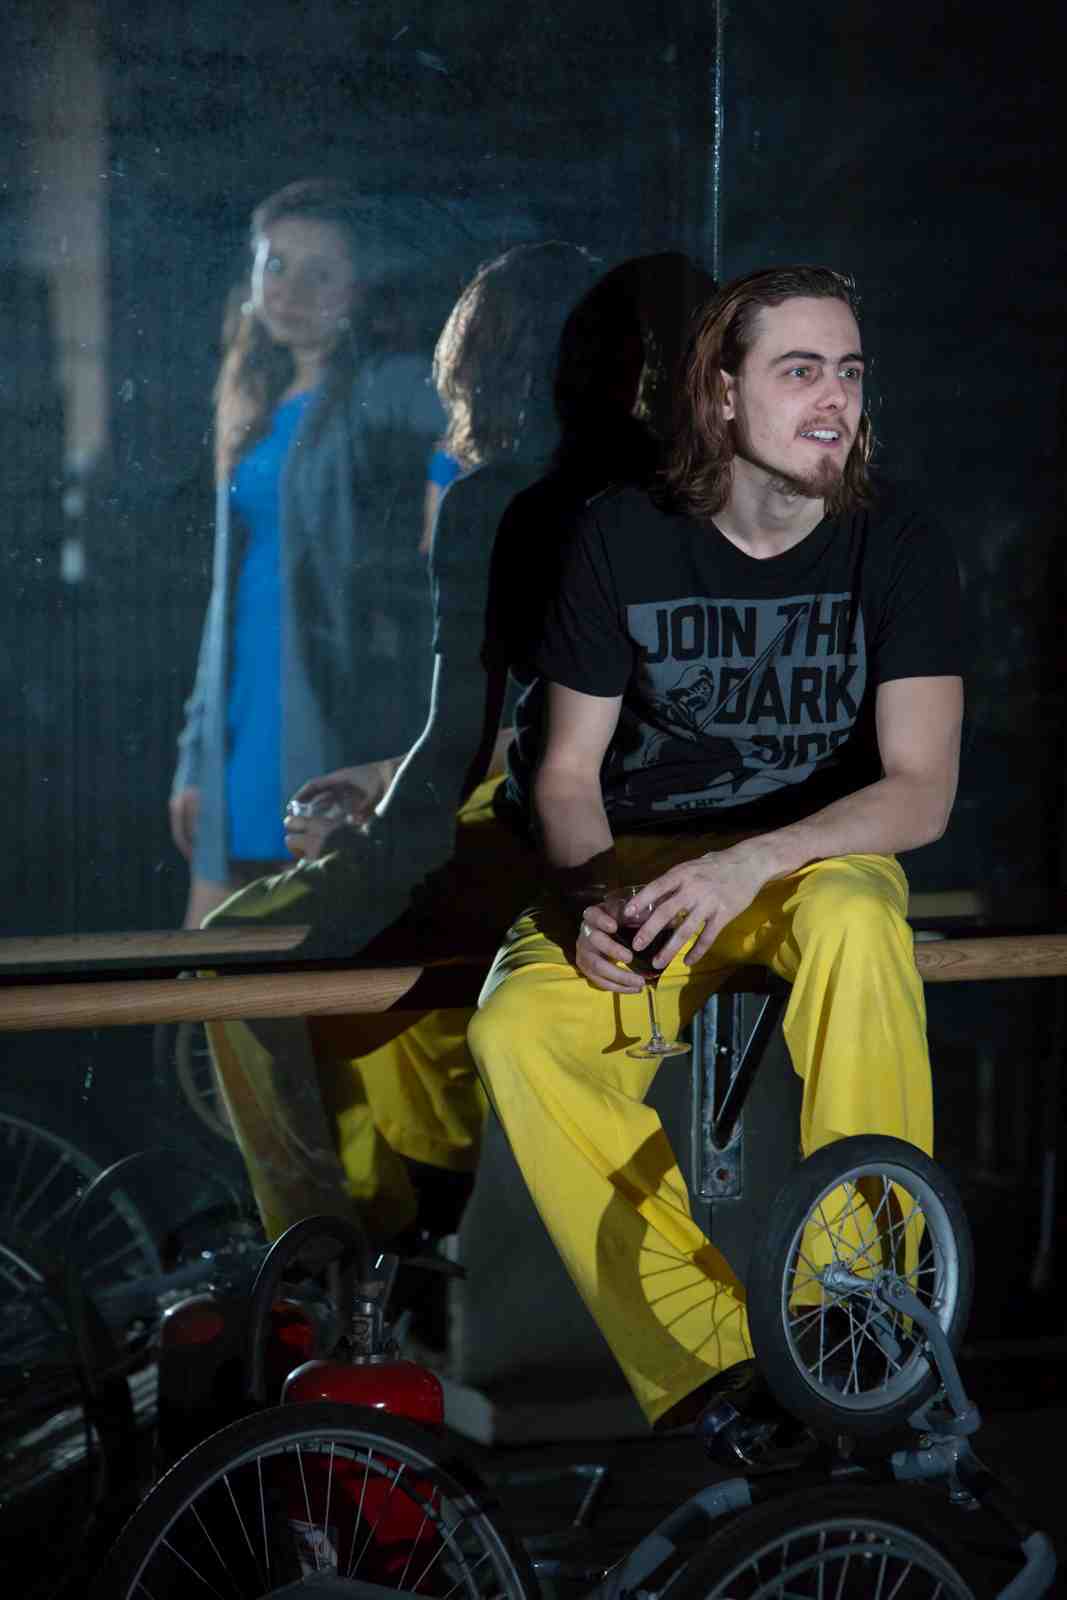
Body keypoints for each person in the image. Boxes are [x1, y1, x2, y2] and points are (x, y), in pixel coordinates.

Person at [466, 265, 965, 1462]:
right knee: (515, 1026)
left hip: (812, 856)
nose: (833, 398)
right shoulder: (621, 534)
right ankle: (717, 1367)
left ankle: (858, 1319)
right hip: (644, 857)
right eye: (799, 371)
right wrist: (590, 893)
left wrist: (753, 862)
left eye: (848, 372)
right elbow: (566, 773)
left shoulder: (894, 537)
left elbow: (918, 790)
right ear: (721, 393)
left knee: (854, 920)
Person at [202, 242, 610, 1247]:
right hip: (611, 838)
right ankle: (414, 1237)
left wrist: (373, 839)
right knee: (393, 1007)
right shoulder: (664, 496)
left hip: (521, 843)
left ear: (482, 362)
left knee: (230, 961)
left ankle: (314, 1244)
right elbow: (562, 716)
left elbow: (469, 734)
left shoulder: (495, 500)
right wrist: (386, 779)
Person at [169, 179, 442, 929]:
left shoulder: (384, 387)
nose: (289, 290)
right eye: (276, 265)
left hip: (326, 697)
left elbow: (466, 422)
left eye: (320, 272)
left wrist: (442, 498)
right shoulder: (254, 401)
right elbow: (223, 603)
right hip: (242, 704)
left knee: (302, 929)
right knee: (204, 953)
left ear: (358, 291)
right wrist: (195, 757)